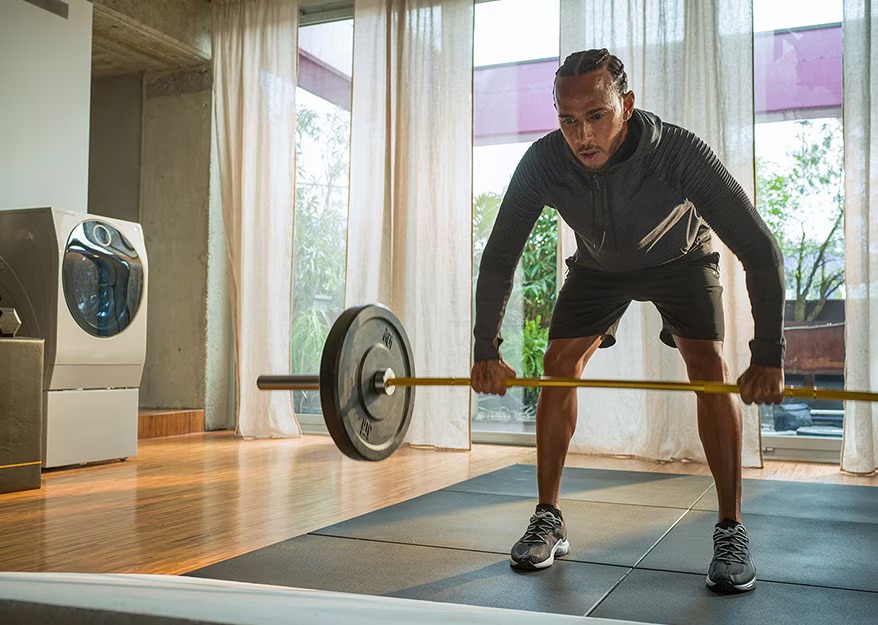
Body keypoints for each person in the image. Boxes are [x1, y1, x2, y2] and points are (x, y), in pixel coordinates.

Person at [470, 49, 785, 594]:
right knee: (557, 362)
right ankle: (549, 517)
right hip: (599, 268)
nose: (582, 134)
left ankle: (731, 528)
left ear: (628, 105)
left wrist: (768, 357)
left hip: (681, 261)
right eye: (568, 119)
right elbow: (500, 256)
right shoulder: (544, 161)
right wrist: (484, 349)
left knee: (708, 365)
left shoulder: (678, 153)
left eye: (596, 115)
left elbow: (759, 250)